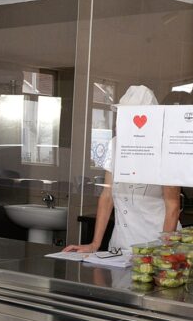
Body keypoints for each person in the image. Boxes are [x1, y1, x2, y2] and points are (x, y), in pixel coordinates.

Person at [63, 85, 179, 253]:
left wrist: (163, 251)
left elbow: (173, 206)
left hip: (155, 244)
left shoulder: (165, 149)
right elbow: (107, 196)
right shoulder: (116, 144)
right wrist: (95, 244)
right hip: (120, 245)